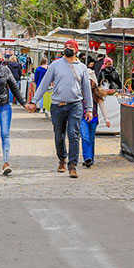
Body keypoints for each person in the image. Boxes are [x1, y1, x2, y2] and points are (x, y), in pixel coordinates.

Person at [28, 41, 92, 178]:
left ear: (76, 50)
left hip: (75, 105)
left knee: (74, 134)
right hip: (57, 105)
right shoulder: (55, 65)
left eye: (70, 47)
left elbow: (87, 89)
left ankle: (73, 165)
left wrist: (89, 109)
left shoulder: (82, 67)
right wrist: (34, 101)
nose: (67, 49)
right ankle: (62, 159)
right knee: (59, 135)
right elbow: (44, 83)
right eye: (66, 47)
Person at [80, 74, 111, 168]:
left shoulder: (96, 93)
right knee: (85, 137)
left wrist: (107, 119)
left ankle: (91, 158)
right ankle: (87, 158)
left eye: (90, 80)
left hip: (93, 119)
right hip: (83, 118)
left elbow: (102, 106)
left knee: (91, 138)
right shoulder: (80, 92)